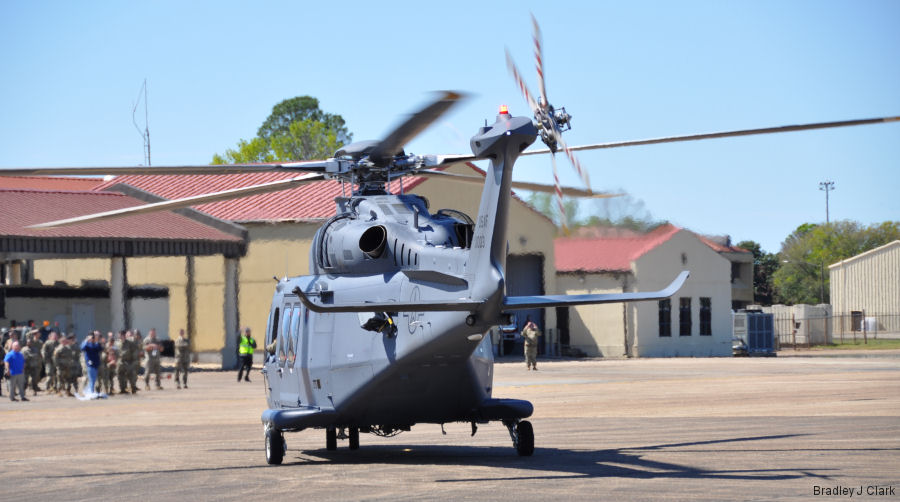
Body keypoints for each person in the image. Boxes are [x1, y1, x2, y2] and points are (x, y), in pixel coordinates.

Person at [81, 332, 102, 397]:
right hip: (90, 364)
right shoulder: (87, 344)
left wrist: (97, 340)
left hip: (96, 364)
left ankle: (90, 391)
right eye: (92, 337)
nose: (92, 339)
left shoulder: (95, 344)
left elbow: (100, 348)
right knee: (91, 379)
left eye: (93, 337)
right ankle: (91, 391)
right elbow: (82, 348)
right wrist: (87, 340)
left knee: (94, 379)